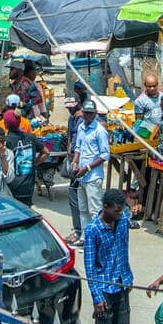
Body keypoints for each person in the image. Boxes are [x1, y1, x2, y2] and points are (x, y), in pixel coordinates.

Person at [84, 190, 140, 324]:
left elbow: (124, 249)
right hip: (104, 289)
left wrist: (128, 276)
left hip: (122, 283)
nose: (120, 213)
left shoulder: (122, 221)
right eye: (117, 210)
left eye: (121, 209)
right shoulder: (93, 230)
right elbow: (90, 267)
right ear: (106, 207)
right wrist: (97, 296)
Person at [68, 102, 110, 244]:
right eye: (86, 112)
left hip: (93, 176)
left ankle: (97, 239)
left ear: (95, 113)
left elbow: (105, 155)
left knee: (95, 211)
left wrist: (87, 168)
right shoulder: (81, 127)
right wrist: (75, 161)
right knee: (83, 209)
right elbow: (78, 147)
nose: (88, 115)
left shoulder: (100, 131)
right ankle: (85, 237)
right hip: (81, 177)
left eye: (91, 113)